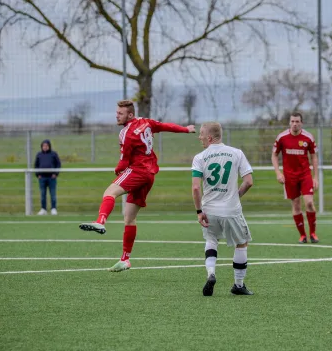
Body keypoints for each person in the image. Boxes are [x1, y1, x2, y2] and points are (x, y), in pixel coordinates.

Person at [79, 99, 196, 271]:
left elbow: (124, 162)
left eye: (120, 113)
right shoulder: (146, 122)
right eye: (117, 112)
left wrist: (117, 169)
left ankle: (100, 221)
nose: (116, 115)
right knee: (130, 218)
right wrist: (186, 129)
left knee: (109, 193)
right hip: (150, 174)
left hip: (138, 171)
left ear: (130, 114)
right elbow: (165, 126)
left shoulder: (126, 133)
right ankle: (125, 259)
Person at [192, 122, 254, 296]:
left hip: (209, 209)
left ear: (210, 138)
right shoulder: (236, 153)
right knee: (241, 243)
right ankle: (238, 285)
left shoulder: (200, 157)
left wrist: (199, 211)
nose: (199, 137)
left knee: (211, 240)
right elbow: (249, 181)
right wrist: (236, 195)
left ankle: (211, 274)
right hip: (231, 209)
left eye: (202, 134)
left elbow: (196, 188)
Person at [271, 112, 319, 244]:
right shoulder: (282, 137)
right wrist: (278, 173)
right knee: (296, 205)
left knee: (309, 202)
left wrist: (316, 177)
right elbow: (274, 155)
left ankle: (313, 233)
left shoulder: (308, 137)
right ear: (289, 122)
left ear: (301, 123)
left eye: (297, 121)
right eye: (292, 121)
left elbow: (314, 157)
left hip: (305, 175)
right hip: (290, 177)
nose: (294, 124)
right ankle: (303, 235)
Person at [34, 139, 61, 216]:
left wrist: (55, 173)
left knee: (53, 194)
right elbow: (36, 165)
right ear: (41, 147)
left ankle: (53, 209)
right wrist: (38, 174)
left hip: (51, 178)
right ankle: (43, 209)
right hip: (42, 178)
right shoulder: (39, 155)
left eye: (46, 146)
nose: (45, 147)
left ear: (49, 146)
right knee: (43, 194)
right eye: (43, 146)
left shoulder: (53, 154)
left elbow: (58, 164)